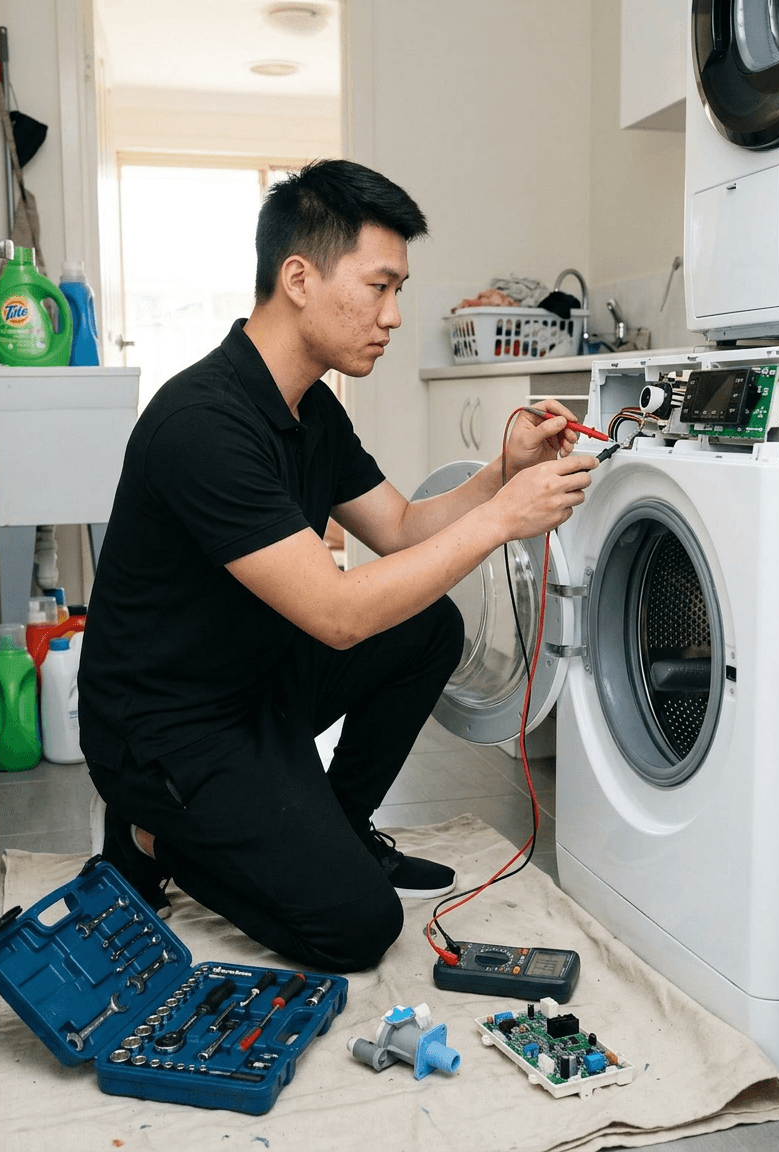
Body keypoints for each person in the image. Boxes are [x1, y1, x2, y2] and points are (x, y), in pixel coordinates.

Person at [78, 159, 597, 974]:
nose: (393, 316)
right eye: (380, 286)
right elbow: (338, 613)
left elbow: (398, 527)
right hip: (167, 729)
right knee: (356, 926)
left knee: (428, 628)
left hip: (253, 682)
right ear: (298, 278)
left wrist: (501, 472)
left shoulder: (309, 404)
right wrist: (504, 519)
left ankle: (339, 822)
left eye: (400, 290)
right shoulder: (202, 423)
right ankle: (153, 831)